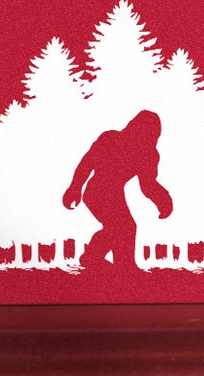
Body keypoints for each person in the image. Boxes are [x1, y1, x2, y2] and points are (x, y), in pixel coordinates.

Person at [62, 110, 172, 269]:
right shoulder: (110, 138)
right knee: (123, 226)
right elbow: (87, 162)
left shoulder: (148, 154)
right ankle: (107, 261)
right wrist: (75, 187)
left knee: (122, 227)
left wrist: (163, 200)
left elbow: (147, 184)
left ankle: (116, 263)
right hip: (95, 191)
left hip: (114, 193)